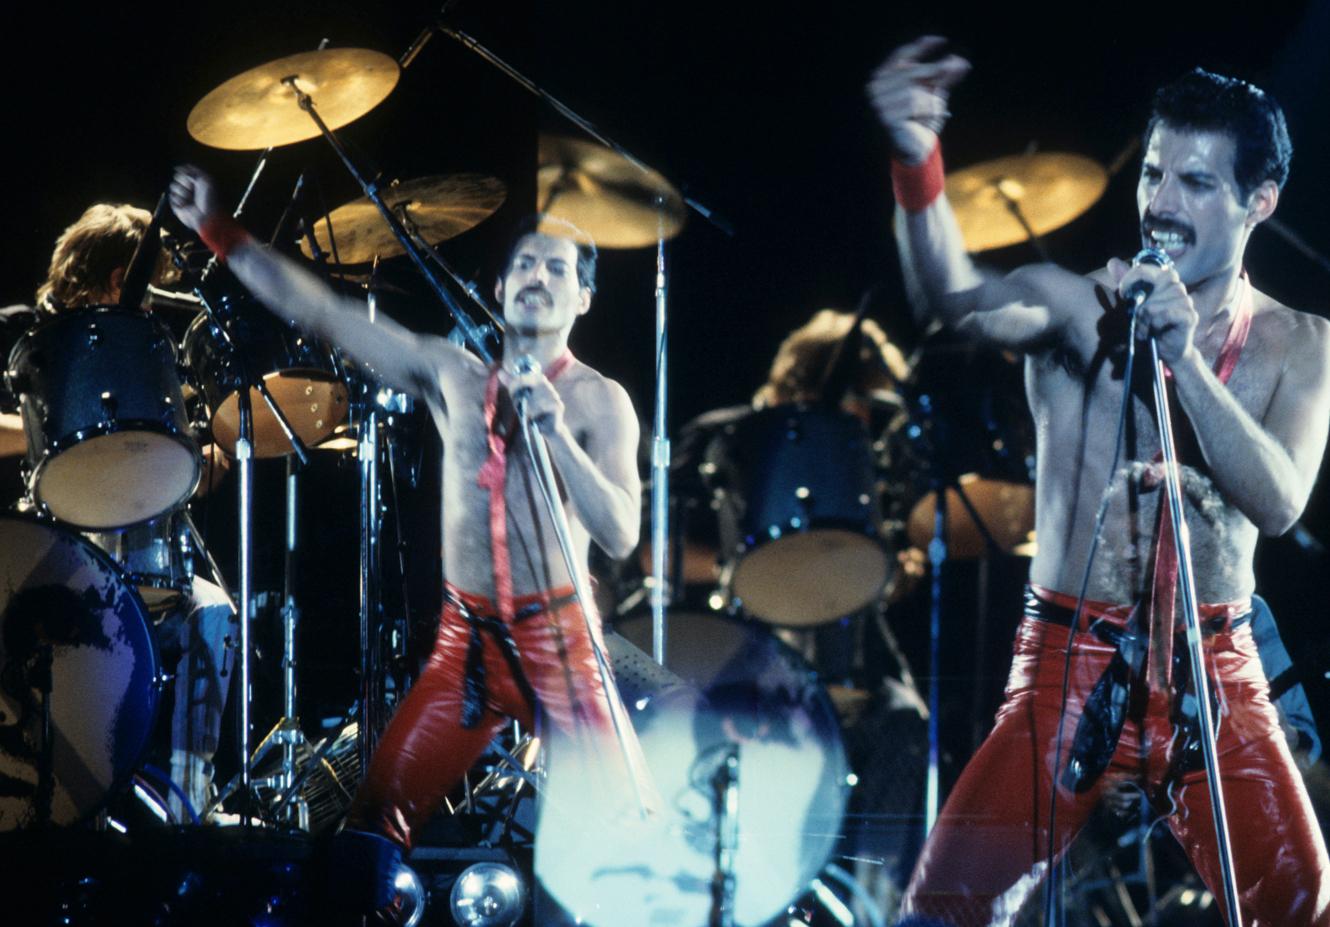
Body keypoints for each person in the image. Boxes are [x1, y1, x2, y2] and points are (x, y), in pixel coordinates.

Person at [868, 36, 1330, 926]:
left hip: (1216, 668)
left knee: (1300, 900)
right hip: (1070, 661)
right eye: (1155, 173)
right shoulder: (1081, 309)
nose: (1161, 203)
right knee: (941, 911)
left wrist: (1185, 362)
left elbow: (1279, 501)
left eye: (1196, 183)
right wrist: (916, 159)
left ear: (1259, 202)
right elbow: (948, 295)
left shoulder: (1301, 344)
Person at [167, 167, 650, 869]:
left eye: (557, 266)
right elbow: (324, 313)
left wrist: (557, 439)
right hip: (468, 647)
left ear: (584, 295)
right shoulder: (451, 373)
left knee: (632, 840)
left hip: (562, 645)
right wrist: (219, 230)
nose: (537, 275)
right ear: (498, 289)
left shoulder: (601, 401)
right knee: (368, 835)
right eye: (523, 263)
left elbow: (621, 533)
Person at [0, 203, 236, 822]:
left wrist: (192, 463)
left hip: (142, 551)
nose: (157, 299)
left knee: (212, 612)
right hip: (43, 551)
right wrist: (51, 433)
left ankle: (188, 804)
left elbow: (161, 469)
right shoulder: (23, 334)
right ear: (115, 278)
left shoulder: (146, 358)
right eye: (149, 281)